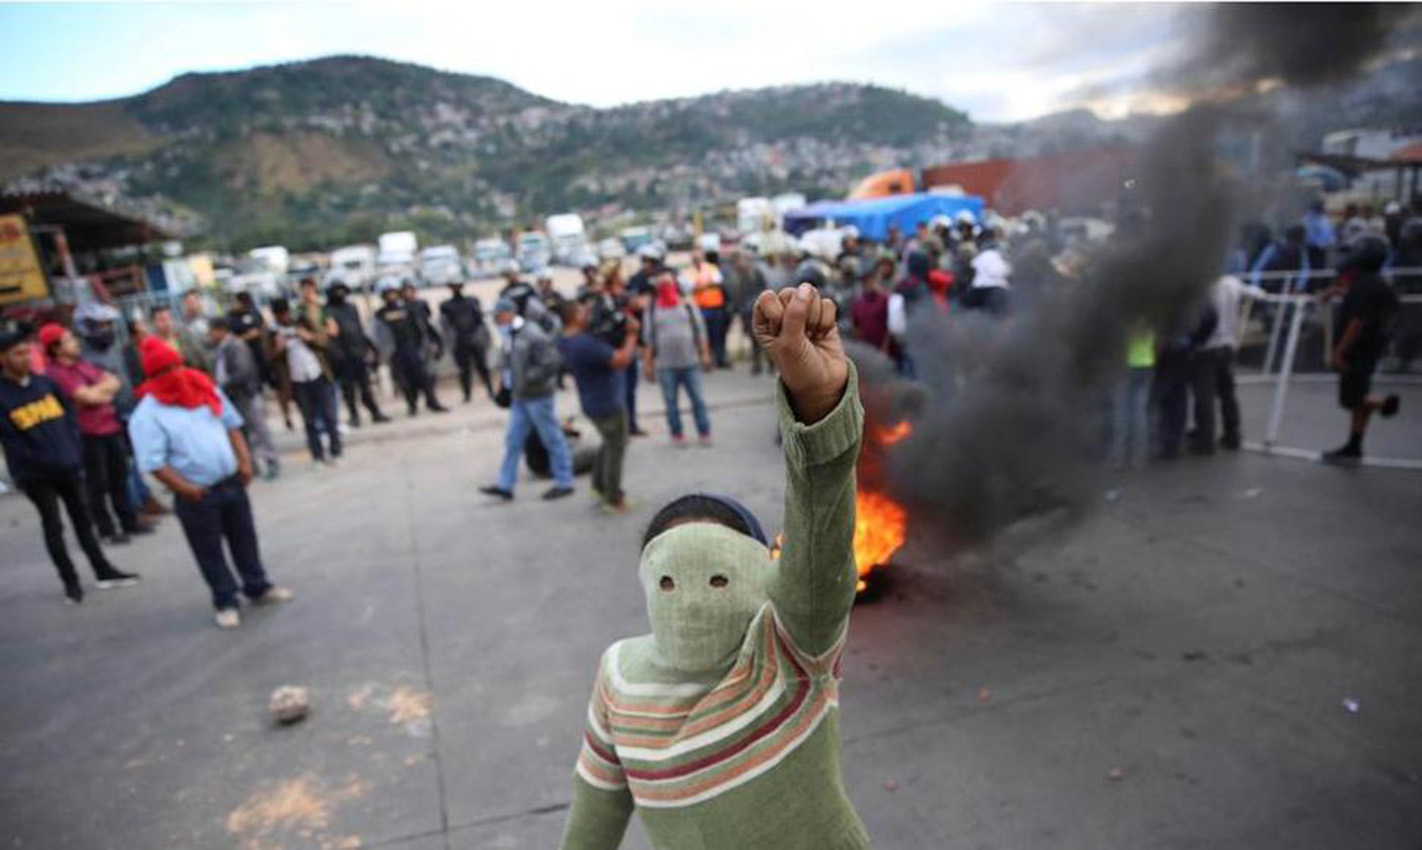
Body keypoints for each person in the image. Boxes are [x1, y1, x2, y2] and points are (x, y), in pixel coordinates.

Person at [556, 282, 869, 850]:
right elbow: (593, 812)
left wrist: (819, 411)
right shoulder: (618, 674)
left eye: (720, 574)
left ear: (766, 576)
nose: (695, 596)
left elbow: (819, 552)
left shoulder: (788, 646)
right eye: (671, 579)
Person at [128, 338, 293, 628]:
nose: (176, 373)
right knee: (209, 550)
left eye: (178, 365)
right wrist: (185, 489)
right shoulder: (148, 414)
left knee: (245, 538)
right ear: (153, 376)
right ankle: (225, 600)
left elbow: (231, 425)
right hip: (197, 494)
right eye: (167, 369)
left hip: (231, 482)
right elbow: (153, 462)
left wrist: (244, 462)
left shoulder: (203, 388)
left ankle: (257, 586)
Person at [0, 328, 141, 604]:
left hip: (68, 465)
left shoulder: (44, 384)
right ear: (2, 358)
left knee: (83, 521)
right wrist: (44, 461)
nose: (26, 358)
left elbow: (69, 419)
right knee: (53, 526)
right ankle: (70, 582)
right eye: (18, 354)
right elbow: (13, 441)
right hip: (37, 475)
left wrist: (72, 451)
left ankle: (103, 571)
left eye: (27, 352)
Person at [40, 323, 152, 543]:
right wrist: (98, 393)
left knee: (119, 477)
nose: (75, 343)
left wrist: (98, 393)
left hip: (109, 427)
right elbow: (87, 397)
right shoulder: (55, 374)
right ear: (55, 348)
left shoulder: (82, 365)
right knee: (97, 484)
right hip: (86, 434)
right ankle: (106, 530)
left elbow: (113, 382)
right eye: (69, 340)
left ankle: (128, 521)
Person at [480, 299, 574, 501]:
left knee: (552, 438)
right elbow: (507, 362)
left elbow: (550, 362)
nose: (497, 322)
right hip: (520, 398)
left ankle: (565, 482)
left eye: (499, 317)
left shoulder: (532, 333)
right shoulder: (509, 335)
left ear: (508, 313)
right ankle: (505, 485)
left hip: (537, 396)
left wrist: (526, 379)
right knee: (513, 440)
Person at [1323, 235, 1402, 462]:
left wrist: (1339, 351)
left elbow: (1357, 322)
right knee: (1359, 400)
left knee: (1351, 399)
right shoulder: (1376, 283)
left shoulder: (1364, 286)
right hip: (1370, 350)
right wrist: (1338, 292)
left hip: (1356, 352)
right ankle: (1354, 444)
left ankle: (1384, 403)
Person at [557, 299, 640, 512]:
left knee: (609, 442)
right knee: (617, 447)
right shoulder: (585, 344)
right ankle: (613, 498)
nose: (588, 315)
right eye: (583, 311)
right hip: (607, 402)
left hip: (593, 400)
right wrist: (632, 335)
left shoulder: (566, 340)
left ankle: (598, 485)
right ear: (574, 316)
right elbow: (621, 360)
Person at [1191, 274, 1266, 453]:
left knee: (1204, 396)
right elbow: (1259, 294)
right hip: (1228, 345)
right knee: (1227, 393)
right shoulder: (1231, 283)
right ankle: (1232, 434)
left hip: (1206, 347)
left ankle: (1205, 440)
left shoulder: (1202, 285)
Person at [643, 271, 712, 446]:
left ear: (675, 284)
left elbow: (700, 330)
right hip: (666, 366)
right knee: (671, 404)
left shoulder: (687, 304)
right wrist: (648, 364)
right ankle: (677, 434)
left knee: (698, 400)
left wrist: (704, 353)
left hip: (690, 362)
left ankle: (704, 432)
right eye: (662, 284)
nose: (666, 287)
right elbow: (649, 340)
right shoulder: (652, 309)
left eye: (669, 283)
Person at [272, 297, 342, 466]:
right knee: (309, 420)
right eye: (280, 315)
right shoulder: (274, 332)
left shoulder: (303, 323)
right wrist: (279, 347)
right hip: (298, 381)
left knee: (329, 416)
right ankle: (317, 455)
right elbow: (271, 359)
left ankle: (335, 451)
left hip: (318, 375)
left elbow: (325, 341)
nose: (284, 318)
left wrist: (307, 336)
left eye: (285, 314)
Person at [210, 317, 280, 479]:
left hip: (245, 395)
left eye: (212, 331)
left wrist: (222, 384)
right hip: (234, 397)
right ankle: (251, 464)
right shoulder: (221, 347)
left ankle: (271, 461)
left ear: (220, 330)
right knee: (243, 432)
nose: (210, 335)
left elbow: (243, 372)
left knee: (259, 429)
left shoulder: (235, 345)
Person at [373, 281, 448, 416]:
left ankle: (432, 401)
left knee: (424, 377)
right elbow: (379, 334)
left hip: (412, 348)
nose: (391, 296)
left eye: (393, 293)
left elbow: (419, 327)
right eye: (388, 294)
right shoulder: (381, 314)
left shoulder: (407, 309)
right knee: (404, 381)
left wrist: (423, 345)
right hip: (396, 352)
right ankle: (412, 405)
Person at [326, 282, 390, 426]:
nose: (340, 294)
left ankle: (375, 412)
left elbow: (358, 329)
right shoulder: (328, 311)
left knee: (365, 386)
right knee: (348, 390)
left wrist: (369, 347)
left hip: (357, 353)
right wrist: (336, 355)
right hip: (342, 357)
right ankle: (354, 416)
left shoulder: (351, 308)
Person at [1108, 327, 1156, 470]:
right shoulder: (1151, 313)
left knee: (1121, 412)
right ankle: (1139, 458)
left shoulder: (1126, 311)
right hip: (1146, 363)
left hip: (1125, 365)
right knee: (1140, 413)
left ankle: (1119, 458)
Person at [440, 281, 495, 403]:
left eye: (458, 285)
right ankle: (467, 394)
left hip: (475, 338)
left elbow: (480, 320)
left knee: (482, 367)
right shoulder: (446, 305)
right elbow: (446, 325)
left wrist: (481, 337)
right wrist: (451, 341)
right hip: (459, 341)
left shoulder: (472, 301)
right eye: (454, 286)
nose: (456, 288)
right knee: (464, 369)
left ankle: (490, 390)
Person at [725, 251, 769, 374]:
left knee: (764, 338)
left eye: (741, 261)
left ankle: (770, 363)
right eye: (737, 262)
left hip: (759, 310)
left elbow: (764, 290)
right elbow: (735, 296)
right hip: (745, 313)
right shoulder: (734, 278)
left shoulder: (756, 274)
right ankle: (757, 364)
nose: (739, 264)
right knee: (752, 338)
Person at [688, 251, 730, 369]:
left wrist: (700, 286)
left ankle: (720, 359)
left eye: (698, 258)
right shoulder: (689, 271)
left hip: (716, 307)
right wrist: (707, 284)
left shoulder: (711, 268)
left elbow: (718, 282)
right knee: (703, 335)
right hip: (701, 309)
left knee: (718, 334)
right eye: (694, 259)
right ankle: (707, 359)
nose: (697, 261)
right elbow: (690, 287)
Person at [152, 303, 211, 373]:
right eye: (161, 320)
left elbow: (200, 356)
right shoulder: (153, 344)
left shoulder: (184, 335)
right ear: (154, 322)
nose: (166, 323)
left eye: (168, 318)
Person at [850, 257, 892, 352]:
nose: (869, 283)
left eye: (871, 279)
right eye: (865, 281)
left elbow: (891, 327)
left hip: (884, 350)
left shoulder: (886, 299)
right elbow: (856, 326)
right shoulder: (858, 302)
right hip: (866, 351)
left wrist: (885, 347)